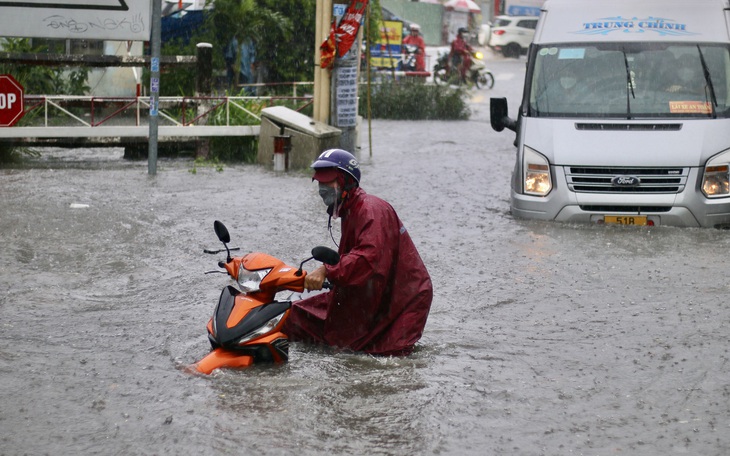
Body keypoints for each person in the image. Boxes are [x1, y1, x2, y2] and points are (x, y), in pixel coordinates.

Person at [283, 149, 433, 356]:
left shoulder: (370, 210)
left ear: (346, 182)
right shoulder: (350, 210)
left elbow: (366, 258)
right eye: (320, 183)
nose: (322, 189)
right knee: (292, 317)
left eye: (328, 183)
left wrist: (327, 271)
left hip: (402, 301)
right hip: (375, 293)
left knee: (386, 360)